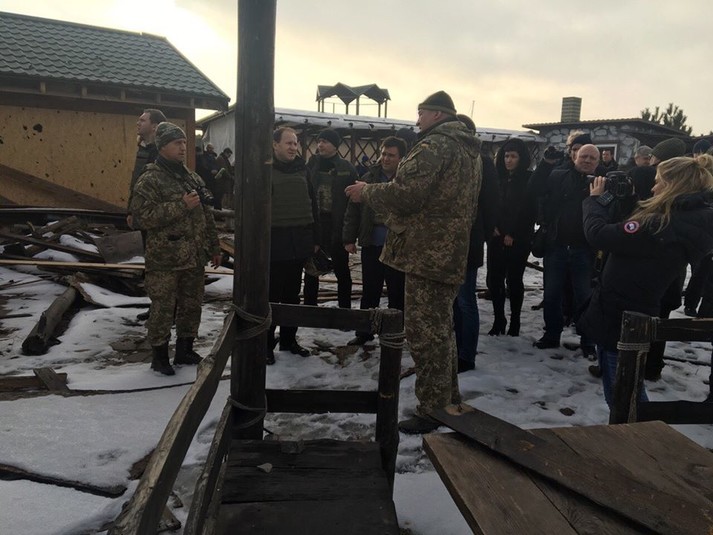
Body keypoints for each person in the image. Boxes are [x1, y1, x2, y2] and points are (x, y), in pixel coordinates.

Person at [345, 91, 482, 434]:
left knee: (425, 335)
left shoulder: (435, 145)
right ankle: (447, 399)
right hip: (448, 251)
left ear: (436, 114)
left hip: (426, 254)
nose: (417, 120)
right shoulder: (468, 149)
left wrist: (367, 191)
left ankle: (432, 409)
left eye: (421, 113)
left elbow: (407, 195)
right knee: (441, 332)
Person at [578, 155, 713, 406]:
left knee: (623, 393)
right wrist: (630, 200)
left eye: (659, 182)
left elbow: (599, 235)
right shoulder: (684, 219)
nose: (653, 188)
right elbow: (638, 239)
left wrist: (594, 201)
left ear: (673, 185)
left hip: (621, 313)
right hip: (634, 307)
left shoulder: (661, 224)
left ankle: (638, 428)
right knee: (624, 385)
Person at [130, 122, 221, 376]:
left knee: (192, 305)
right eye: (176, 143)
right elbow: (141, 217)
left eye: (184, 143)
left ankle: (185, 349)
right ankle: (159, 357)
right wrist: (181, 205)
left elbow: (207, 215)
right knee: (163, 308)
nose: (182, 148)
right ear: (162, 147)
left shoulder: (191, 177)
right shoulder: (150, 179)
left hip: (193, 256)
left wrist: (214, 246)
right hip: (165, 259)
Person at [528, 144, 601, 356]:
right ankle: (551, 335)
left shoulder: (602, 182)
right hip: (557, 245)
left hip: (585, 250)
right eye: (584, 156)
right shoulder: (558, 176)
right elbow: (534, 188)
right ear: (575, 156)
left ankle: (588, 341)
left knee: (585, 297)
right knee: (552, 295)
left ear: (597, 162)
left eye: (592, 158)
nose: (587, 160)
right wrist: (546, 164)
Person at [343, 136, 406, 346]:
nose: (386, 158)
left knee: (397, 291)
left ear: (401, 158)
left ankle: (394, 332)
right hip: (372, 242)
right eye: (384, 154)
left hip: (397, 246)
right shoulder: (368, 178)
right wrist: (349, 239)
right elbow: (353, 211)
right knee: (370, 290)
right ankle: (364, 331)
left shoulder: (406, 182)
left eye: (391, 155)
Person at [268, 127, 319, 363]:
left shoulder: (303, 170)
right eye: (288, 143)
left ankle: (289, 340)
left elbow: (313, 204)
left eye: (295, 143)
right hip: (274, 244)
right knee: (271, 297)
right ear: (275, 145)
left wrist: (316, 239)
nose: (293, 147)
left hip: (298, 243)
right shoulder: (265, 170)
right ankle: (266, 343)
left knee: (292, 296)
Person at [453, 114, 498, 373]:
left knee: (465, 300)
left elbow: (491, 202)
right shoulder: (448, 158)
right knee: (452, 301)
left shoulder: (482, 162)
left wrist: (482, 234)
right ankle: (453, 348)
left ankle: (466, 355)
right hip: (445, 243)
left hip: (469, 239)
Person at [303, 128, 359, 308]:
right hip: (315, 224)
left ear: (335, 146)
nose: (320, 145)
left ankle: (344, 310)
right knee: (312, 270)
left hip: (337, 225)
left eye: (325, 141)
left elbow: (354, 202)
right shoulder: (311, 165)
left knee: (341, 269)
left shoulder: (346, 168)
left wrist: (350, 233)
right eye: (319, 141)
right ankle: (310, 309)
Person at [486, 138, 536, 337]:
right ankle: (499, 319)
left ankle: (515, 321)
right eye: (506, 156)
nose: (509, 160)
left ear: (521, 158)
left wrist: (513, 234)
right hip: (496, 236)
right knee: (494, 280)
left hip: (518, 239)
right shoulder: (497, 178)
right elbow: (490, 204)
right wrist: (492, 226)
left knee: (514, 281)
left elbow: (528, 210)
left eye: (513, 156)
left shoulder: (528, 179)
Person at [127, 108, 166, 228]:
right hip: (140, 214)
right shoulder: (143, 149)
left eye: (142, 120)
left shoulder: (163, 154)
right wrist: (130, 211)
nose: (138, 123)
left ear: (154, 126)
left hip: (155, 217)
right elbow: (136, 183)